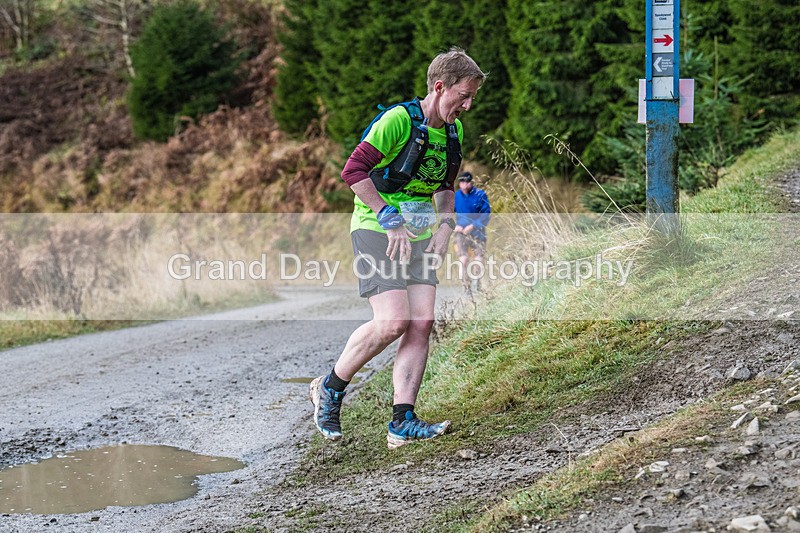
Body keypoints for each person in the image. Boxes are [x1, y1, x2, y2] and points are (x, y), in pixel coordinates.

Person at [309, 47, 486, 449]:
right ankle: (330, 388)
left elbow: (443, 187)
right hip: (377, 227)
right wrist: (390, 219)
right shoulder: (397, 121)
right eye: (464, 95)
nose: (468, 105)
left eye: (473, 96)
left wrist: (446, 225)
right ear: (440, 87)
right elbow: (353, 171)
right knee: (393, 323)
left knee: (421, 323)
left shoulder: (453, 132)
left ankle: (401, 422)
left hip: (422, 234)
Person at [453, 171, 491, 293]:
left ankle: (477, 284)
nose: (464, 185)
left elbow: (486, 214)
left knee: (478, 258)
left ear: (471, 183)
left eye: (467, 182)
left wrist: (473, 225)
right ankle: (466, 287)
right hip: (460, 232)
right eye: (462, 182)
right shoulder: (456, 196)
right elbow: (448, 214)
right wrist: (454, 226)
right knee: (463, 259)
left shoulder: (480, 195)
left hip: (477, 231)